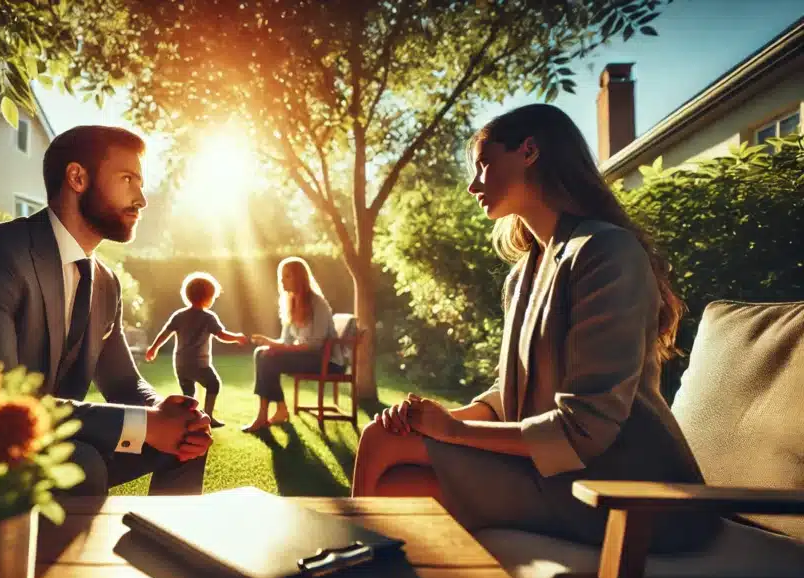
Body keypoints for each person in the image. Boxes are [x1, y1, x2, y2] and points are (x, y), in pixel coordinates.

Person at [351, 104, 717, 552]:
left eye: (484, 165)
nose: (473, 185)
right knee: (384, 437)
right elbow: (512, 396)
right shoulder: (524, 272)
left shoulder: (606, 252)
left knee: (392, 461)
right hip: (554, 474)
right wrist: (436, 419)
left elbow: (586, 430)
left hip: (624, 490)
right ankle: (359, 562)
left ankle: (356, 565)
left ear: (528, 151)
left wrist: (452, 432)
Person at [0, 125, 212, 496]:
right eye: (128, 179)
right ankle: (55, 556)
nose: (141, 199)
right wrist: (145, 424)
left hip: (46, 437)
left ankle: (169, 548)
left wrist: (167, 411)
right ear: (77, 177)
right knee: (80, 461)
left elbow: (122, 382)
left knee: (189, 442)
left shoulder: (104, 282)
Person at [244, 257, 345, 433]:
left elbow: (315, 345)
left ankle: (268, 414)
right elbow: (286, 341)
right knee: (262, 353)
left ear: (299, 278)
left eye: (287, 276)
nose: (282, 280)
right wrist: (269, 342)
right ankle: (277, 409)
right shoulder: (289, 302)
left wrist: (278, 348)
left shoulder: (318, 304)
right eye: (281, 276)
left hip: (326, 362)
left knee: (268, 358)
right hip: (306, 357)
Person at [145, 271, 249, 428]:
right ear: (208, 298)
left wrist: (153, 348)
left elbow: (164, 333)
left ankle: (187, 420)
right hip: (199, 364)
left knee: (188, 395)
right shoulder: (208, 317)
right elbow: (221, 335)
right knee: (213, 384)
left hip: (180, 363)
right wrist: (237, 337)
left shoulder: (179, 315)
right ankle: (208, 417)